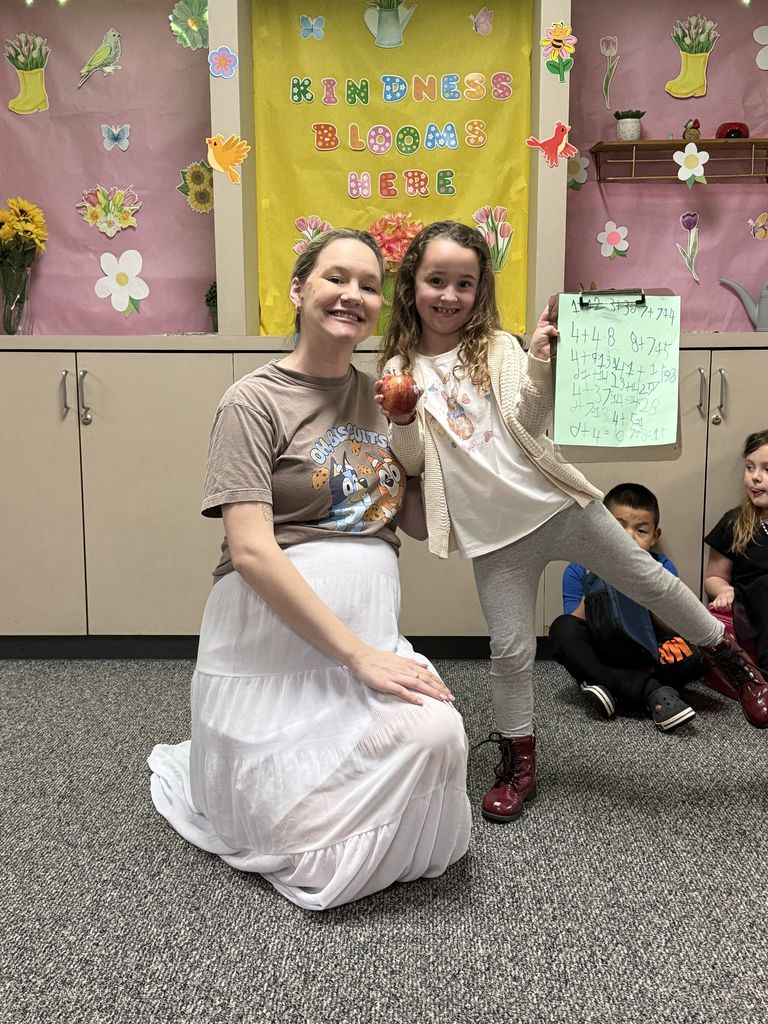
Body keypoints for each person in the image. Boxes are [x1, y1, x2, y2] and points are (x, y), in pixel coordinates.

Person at [375, 219, 768, 824]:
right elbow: (413, 464)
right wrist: (401, 419)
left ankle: (735, 665)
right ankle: (519, 756)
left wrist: (536, 360)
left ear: (481, 291)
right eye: (436, 281)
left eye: (465, 283)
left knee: (651, 580)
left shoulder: (497, 348)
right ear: (412, 286)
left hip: (557, 507)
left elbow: (531, 418)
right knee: (508, 651)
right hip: (493, 538)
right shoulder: (400, 366)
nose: (449, 295)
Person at [148, 228, 471, 910]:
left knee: (439, 735)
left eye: (367, 285)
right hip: (273, 648)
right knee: (286, 835)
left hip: (369, 635)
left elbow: (412, 524)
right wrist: (355, 657)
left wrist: (418, 439)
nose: (352, 295)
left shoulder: (387, 399)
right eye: (335, 278)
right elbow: (251, 550)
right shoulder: (253, 400)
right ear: (299, 290)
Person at [549, 482, 704, 732]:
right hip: (603, 648)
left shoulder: (663, 567)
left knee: (692, 656)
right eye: (618, 527)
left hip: (649, 650)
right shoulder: (579, 568)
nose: (628, 537)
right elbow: (574, 625)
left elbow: (673, 627)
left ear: (655, 536)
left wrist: (645, 594)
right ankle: (650, 691)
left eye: (640, 531)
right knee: (560, 632)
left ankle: (610, 685)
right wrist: (597, 589)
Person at [705, 428, 768, 713]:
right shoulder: (735, 522)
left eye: (767, 470)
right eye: (750, 467)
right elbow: (713, 578)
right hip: (748, 605)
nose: (755, 477)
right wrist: (725, 590)